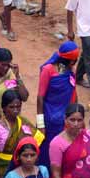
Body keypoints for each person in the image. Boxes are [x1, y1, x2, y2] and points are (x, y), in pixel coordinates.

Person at [36, 41, 79, 169]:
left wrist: (76, 114)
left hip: (66, 120)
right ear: (70, 61)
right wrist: (41, 124)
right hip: (50, 120)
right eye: (74, 60)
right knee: (48, 153)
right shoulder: (48, 70)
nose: (74, 63)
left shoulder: (70, 70)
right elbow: (40, 97)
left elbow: (74, 92)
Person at [0, 88, 41, 178]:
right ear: (3, 108)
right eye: (11, 107)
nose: (15, 110)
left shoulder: (24, 123)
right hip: (4, 171)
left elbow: (37, 141)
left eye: (18, 107)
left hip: (24, 168)